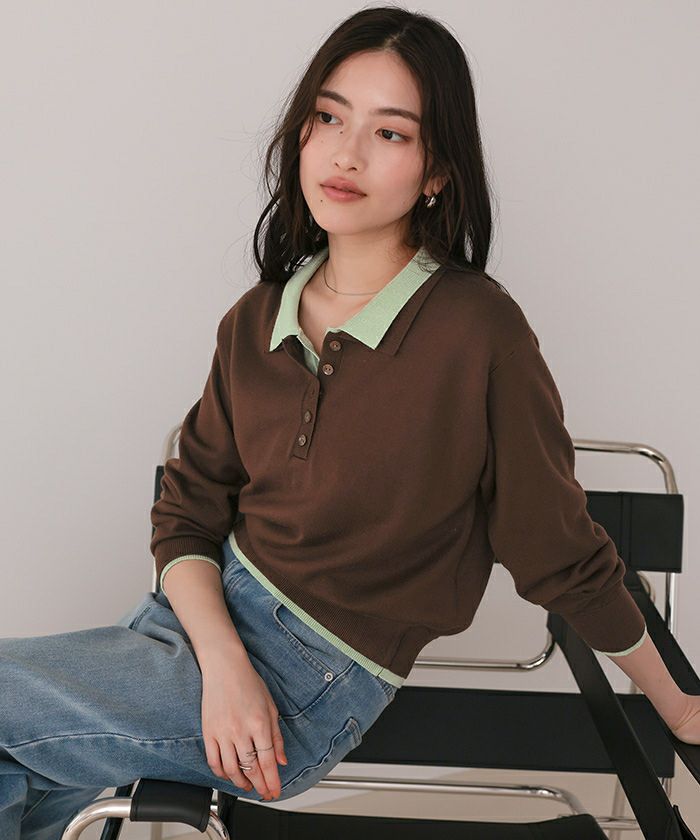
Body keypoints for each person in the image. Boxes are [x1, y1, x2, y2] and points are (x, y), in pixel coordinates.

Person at [3, 7, 698, 839]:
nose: (346, 153)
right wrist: (222, 664)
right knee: (22, 775)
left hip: (307, 685)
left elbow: (555, 547)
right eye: (329, 118)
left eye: (390, 133)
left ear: (437, 172)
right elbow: (187, 515)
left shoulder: (478, 333)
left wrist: (678, 705)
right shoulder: (256, 319)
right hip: (191, 635)